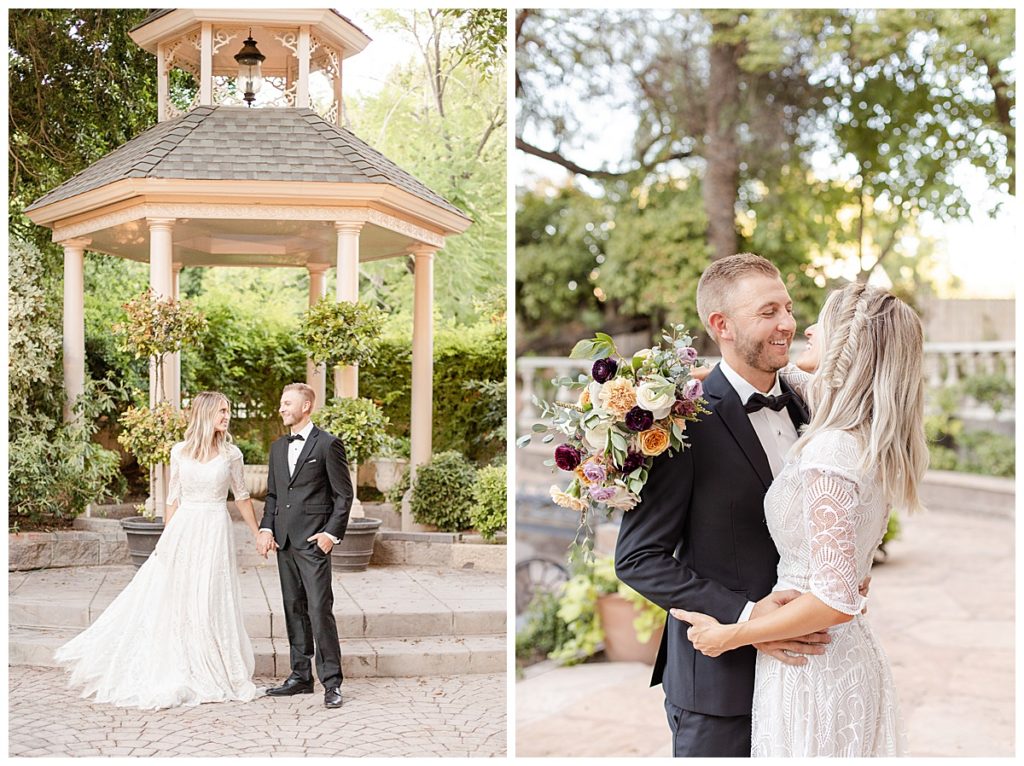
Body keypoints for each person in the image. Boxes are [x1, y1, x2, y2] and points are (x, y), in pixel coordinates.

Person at [672, 282, 927, 756]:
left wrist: (733, 634)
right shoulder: (863, 427)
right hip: (837, 654)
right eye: (778, 311)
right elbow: (769, 372)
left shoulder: (832, 446)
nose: (799, 327)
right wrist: (682, 385)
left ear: (849, 348)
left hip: (812, 666)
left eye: (819, 325)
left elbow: (835, 599)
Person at [614, 253, 830, 757]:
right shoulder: (678, 423)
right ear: (721, 325)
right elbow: (637, 559)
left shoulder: (808, 406)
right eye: (769, 312)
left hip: (810, 673)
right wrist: (748, 617)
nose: (787, 324)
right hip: (720, 688)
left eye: (789, 308)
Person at [55, 391, 263, 709]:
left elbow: (242, 496)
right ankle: (181, 661)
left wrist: (257, 531)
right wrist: (168, 538)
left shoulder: (231, 454)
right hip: (184, 528)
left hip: (215, 529)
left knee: (209, 595)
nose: (227, 416)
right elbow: (173, 498)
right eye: (222, 410)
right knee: (179, 596)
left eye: (228, 410)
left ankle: (214, 664)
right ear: (206, 413)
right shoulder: (179, 451)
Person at [257, 383, 352, 709]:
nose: (282, 408)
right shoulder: (276, 448)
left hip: (314, 543)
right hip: (284, 542)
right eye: (282, 403)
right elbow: (273, 495)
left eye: (287, 403)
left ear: (306, 406)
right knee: (293, 609)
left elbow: (343, 495)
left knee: (318, 610)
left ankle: (332, 682)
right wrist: (266, 528)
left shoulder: (328, 445)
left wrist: (330, 535)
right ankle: (300, 677)